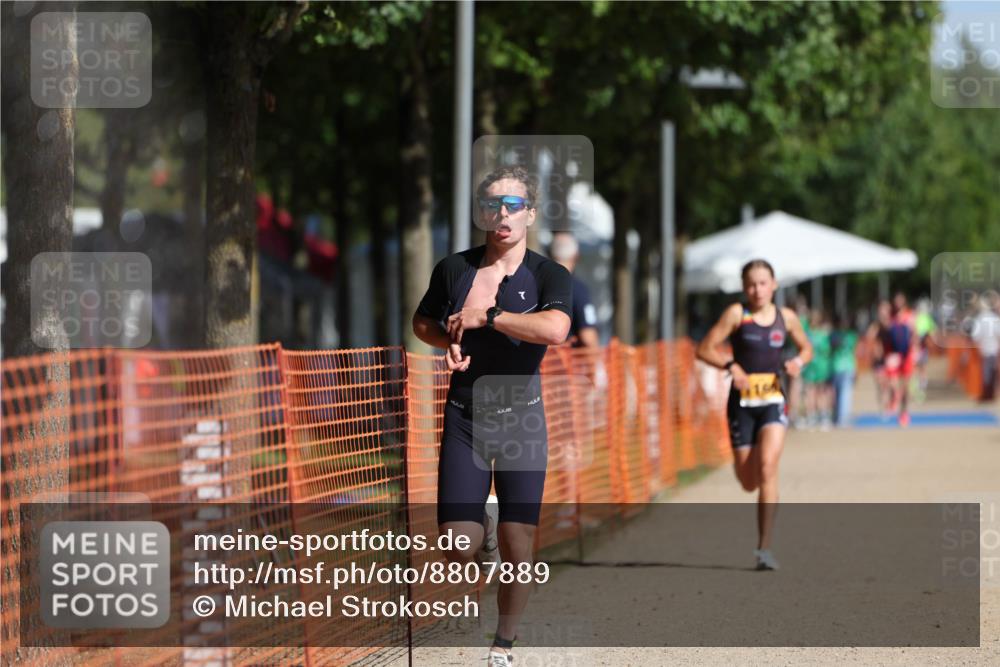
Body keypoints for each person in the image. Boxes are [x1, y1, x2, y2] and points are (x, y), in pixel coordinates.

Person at [412, 165, 572, 667]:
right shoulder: (454, 270)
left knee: (519, 541)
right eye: (493, 205)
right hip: (466, 415)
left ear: (530, 212)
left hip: (522, 416)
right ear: (481, 211)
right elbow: (424, 321)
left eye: (513, 205)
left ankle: (503, 644)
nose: (502, 215)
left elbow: (555, 329)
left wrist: (491, 317)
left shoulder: (549, 274)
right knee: (458, 544)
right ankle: (483, 540)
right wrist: (450, 341)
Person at [696, 259, 812, 571]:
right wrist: (730, 366)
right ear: (743, 287)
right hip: (741, 405)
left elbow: (806, 348)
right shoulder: (737, 314)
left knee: (768, 467)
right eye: (750, 284)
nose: (757, 289)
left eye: (762, 283)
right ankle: (763, 536)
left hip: (773, 400)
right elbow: (704, 348)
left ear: (774, 284)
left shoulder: (786, 318)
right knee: (749, 481)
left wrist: (797, 363)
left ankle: (764, 548)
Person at [549, 231, 599, 348]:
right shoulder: (578, 289)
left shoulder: (536, 283)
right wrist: (596, 364)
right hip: (567, 362)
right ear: (576, 255)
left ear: (551, 254)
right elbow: (588, 335)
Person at [884, 293, 919, 427]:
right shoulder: (891, 317)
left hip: (907, 354)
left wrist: (915, 350)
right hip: (894, 354)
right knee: (892, 380)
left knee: (905, 386)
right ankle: (895, 396)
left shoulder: (909, 316)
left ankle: (903, 412)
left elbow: (915, 334)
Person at [802, 310, 834, 430]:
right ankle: (823, 416)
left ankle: (811, 416)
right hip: (821, 366)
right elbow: (826, 351)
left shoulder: (807, 335)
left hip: (810, 366)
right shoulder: (823, 335)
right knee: (821, 392)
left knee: (810, 392)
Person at [830, 314, 859, 427]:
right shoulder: (851, 336)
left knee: (837, 393)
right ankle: (843, 419)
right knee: (845, 394)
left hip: (836, 366)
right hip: (847, 367)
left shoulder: (833, 335)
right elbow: (854, 353)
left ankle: (837, 417)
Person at [969, 295, 1000, 402]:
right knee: (994, 373)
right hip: (994, 349)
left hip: (985, 350)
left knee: (986, 374)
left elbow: (975, 338)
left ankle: (987, 394)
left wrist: (978, 350)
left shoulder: (979, 319)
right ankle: (993, 395)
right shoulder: (994, 318)